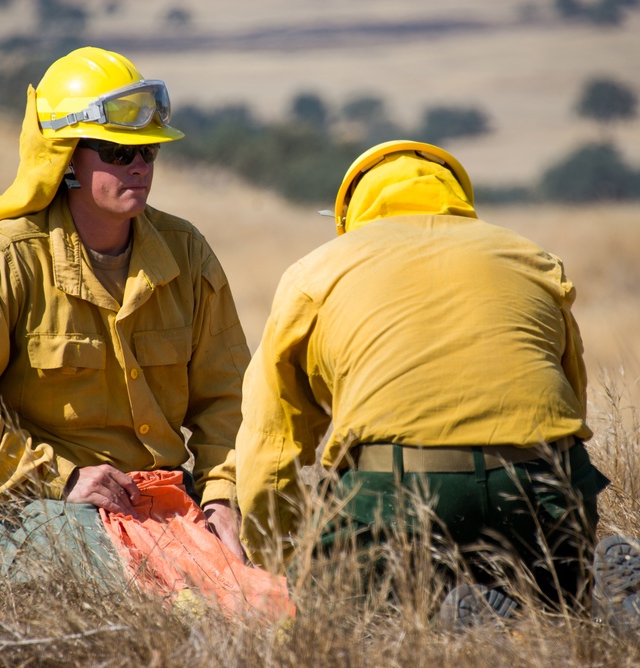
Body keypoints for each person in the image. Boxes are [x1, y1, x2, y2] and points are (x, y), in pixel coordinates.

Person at [234, 140, 612, 623]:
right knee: (559, 614)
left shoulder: (318, 272)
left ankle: (455, 621)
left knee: (350, 622)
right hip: (543, 479)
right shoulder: (530, 257)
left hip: (399, 490)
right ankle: (596, 602)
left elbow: (271, 442)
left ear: (349, 211)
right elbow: (572, 403)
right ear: (458, 196)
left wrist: (284, 553)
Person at [0, 47, 250, 582]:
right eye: (116, 153)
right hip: (45, 505)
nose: (139, 166)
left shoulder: (188, 253)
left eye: (148, 152)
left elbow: (227, 399)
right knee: (143, 598)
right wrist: (62, 480)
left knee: (262, 604)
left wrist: (223, 500)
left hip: (170, 502)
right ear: (65, 158)